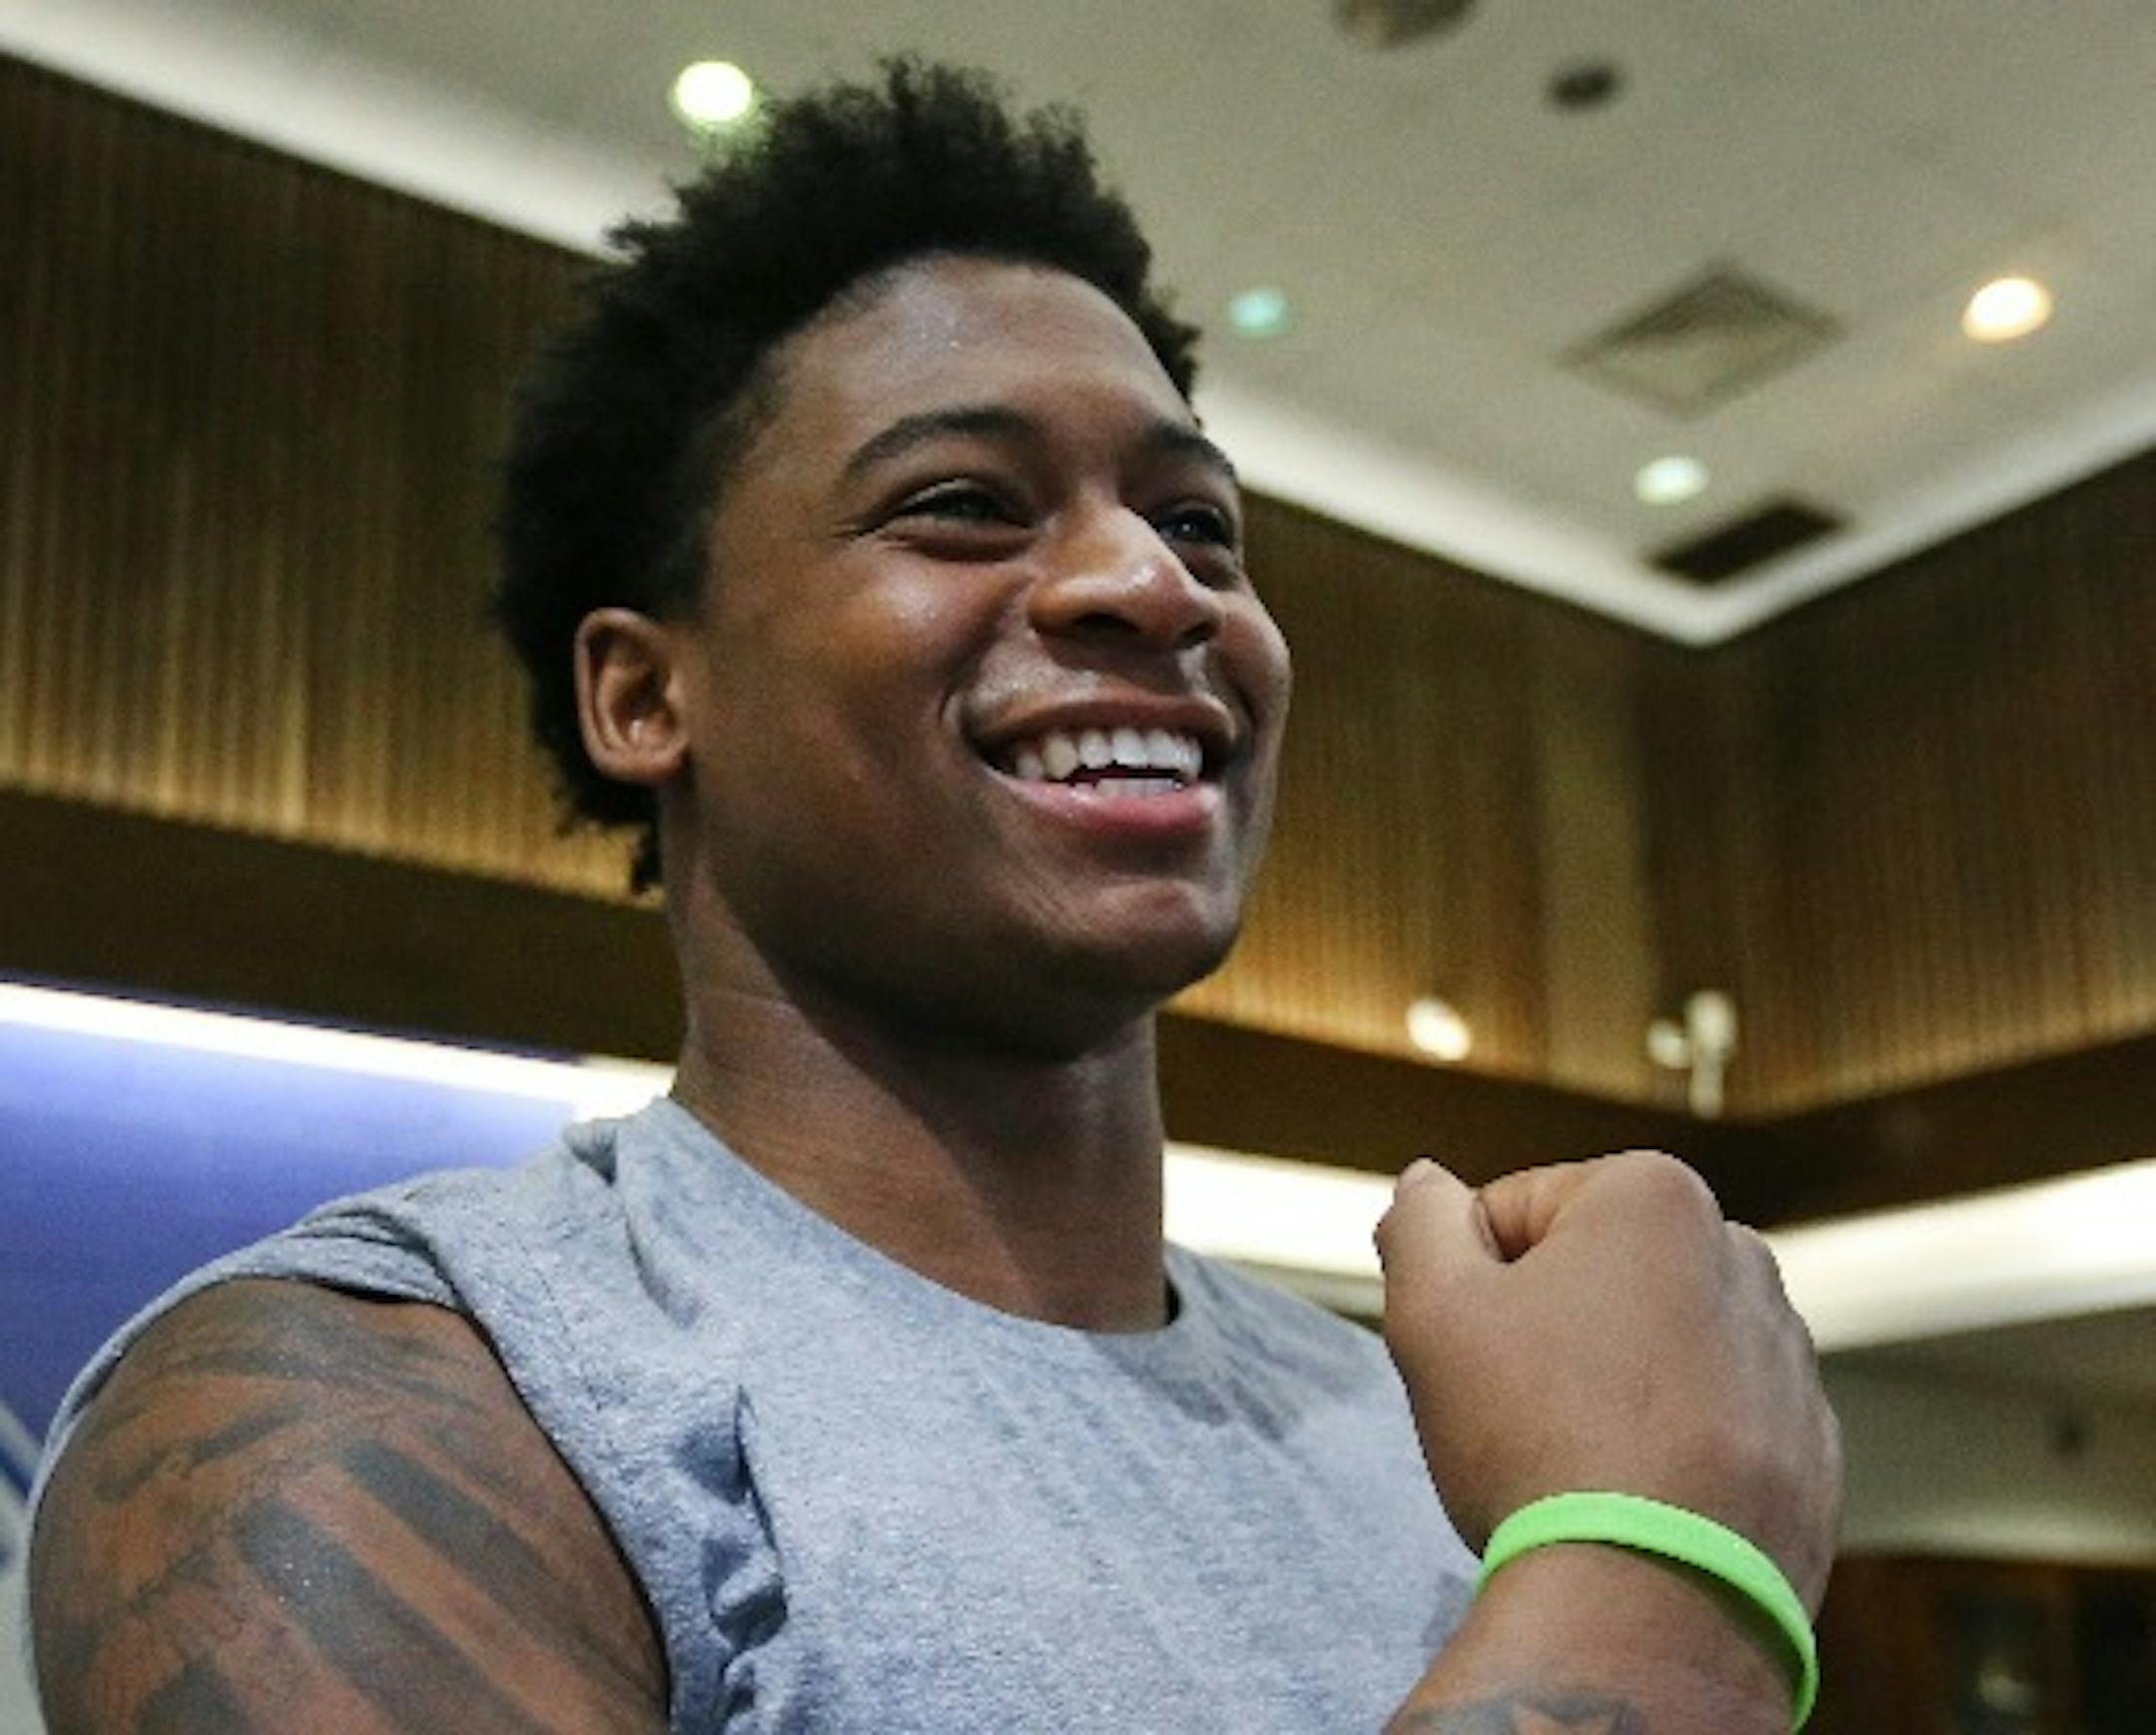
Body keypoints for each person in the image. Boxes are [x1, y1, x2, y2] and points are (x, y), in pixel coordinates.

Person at [26, 60, 1840, 1733]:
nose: (1149, 580)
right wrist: (1653, 1594)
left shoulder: (1432, 1420)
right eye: (964, 501)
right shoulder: (369, 1404)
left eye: (1200, 522)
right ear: (648, 695)